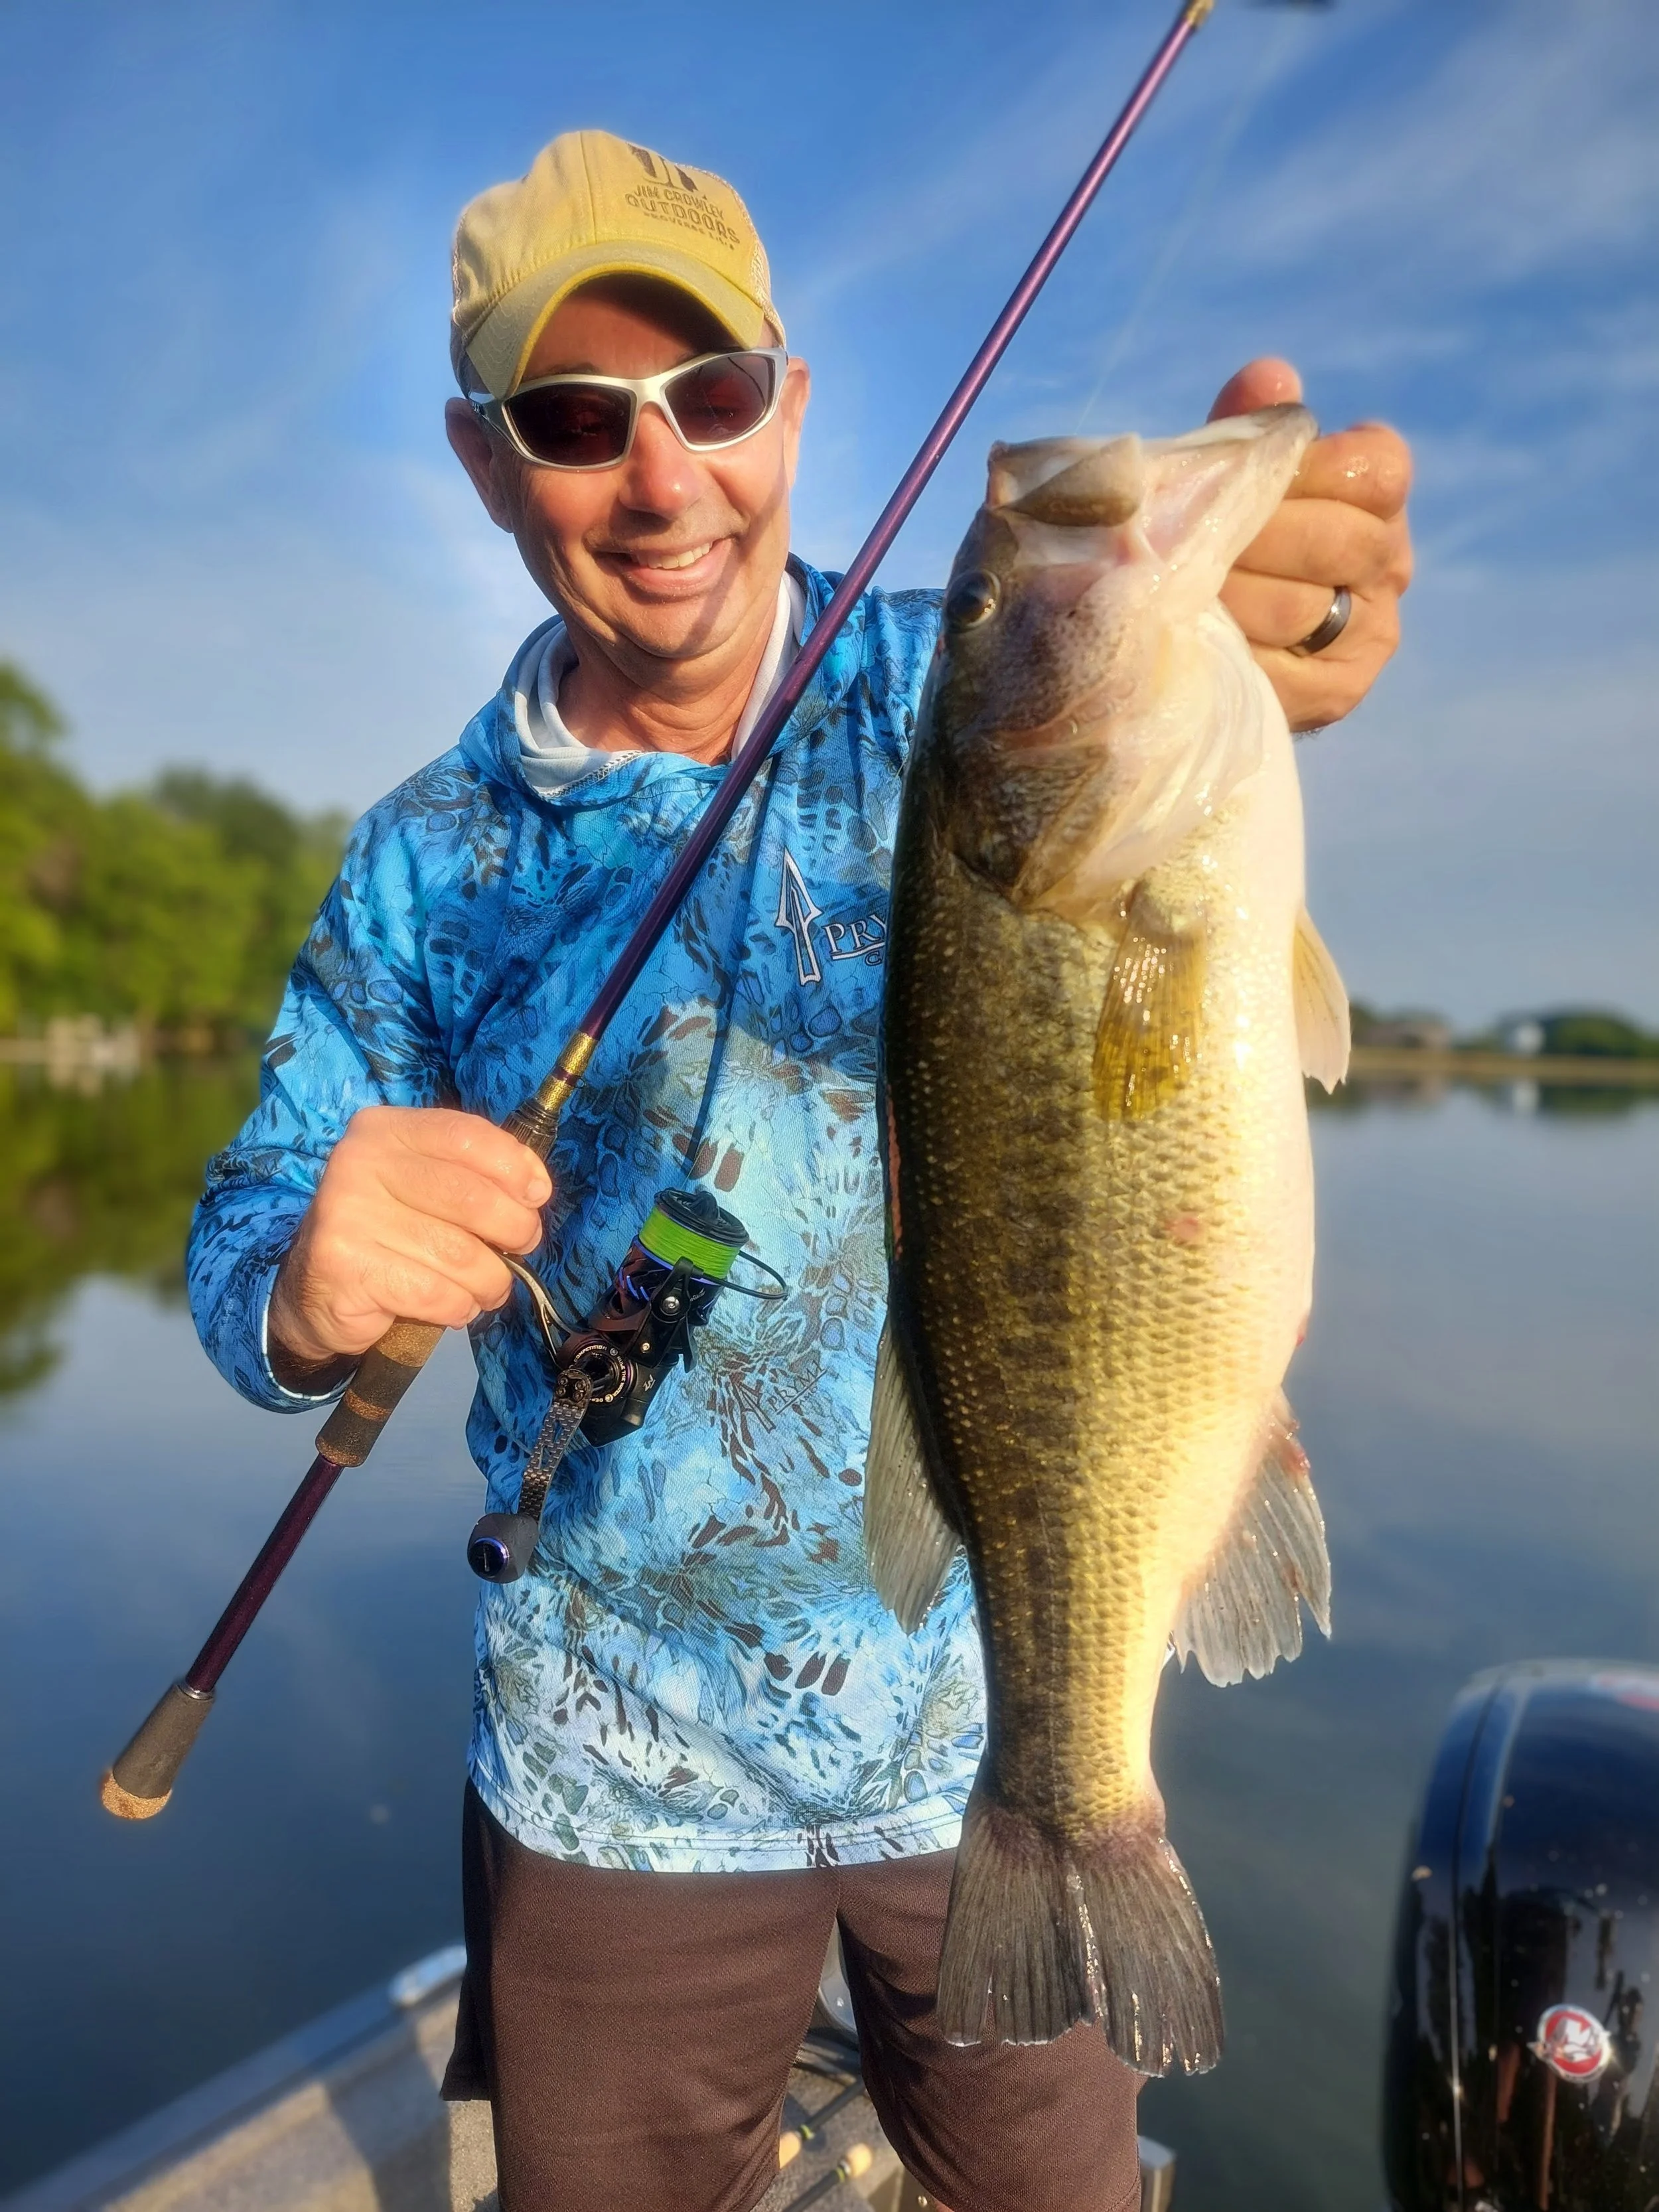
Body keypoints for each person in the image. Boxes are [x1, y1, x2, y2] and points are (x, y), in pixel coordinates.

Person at [188, 130, 1412, 2212]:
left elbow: (1197, 697)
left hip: (991, 1718)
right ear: (491, 467)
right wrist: (303, 1277)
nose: (662, 484)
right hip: (608, 1777)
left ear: (795, 405)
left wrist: (1272, 595)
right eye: (578, 425)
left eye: (713, 399)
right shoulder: (417, 866)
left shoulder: (960, 687)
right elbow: (241, 1254)